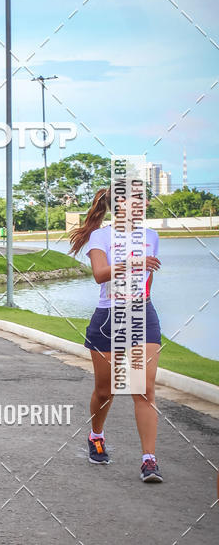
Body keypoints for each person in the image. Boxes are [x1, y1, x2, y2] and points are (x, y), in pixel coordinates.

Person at [69, 187, 163, 482]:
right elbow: (100, 274)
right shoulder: (101, 236)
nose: (141, 202)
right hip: (109, 317)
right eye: (134, 197)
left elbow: (146, 283)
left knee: (144, 388)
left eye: (143, 197)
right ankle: (96, 434)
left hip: (141, 314)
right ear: (118, 204)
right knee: (105, 391)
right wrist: (134, 263)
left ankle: (149, 460)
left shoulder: (151, 237)